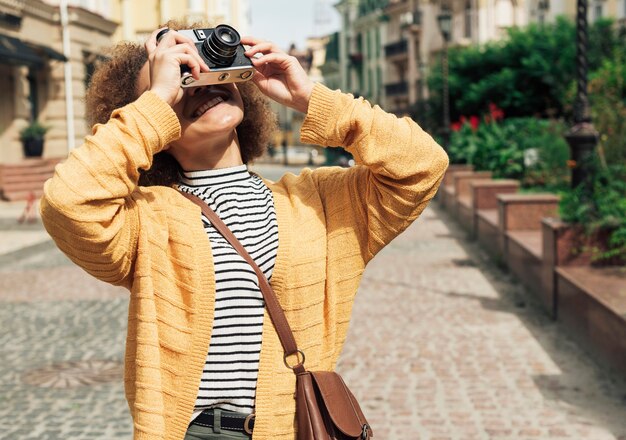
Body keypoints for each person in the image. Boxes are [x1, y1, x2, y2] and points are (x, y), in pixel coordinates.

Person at [40, 18, 448, 440]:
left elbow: (423, 164)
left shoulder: (322, 201)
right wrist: (158, 99)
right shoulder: (146, 218)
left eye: (207, 70)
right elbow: (67, 202)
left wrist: (311, 98)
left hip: (291, 429)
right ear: (153, 120)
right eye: (181, 81)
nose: (199, 86)